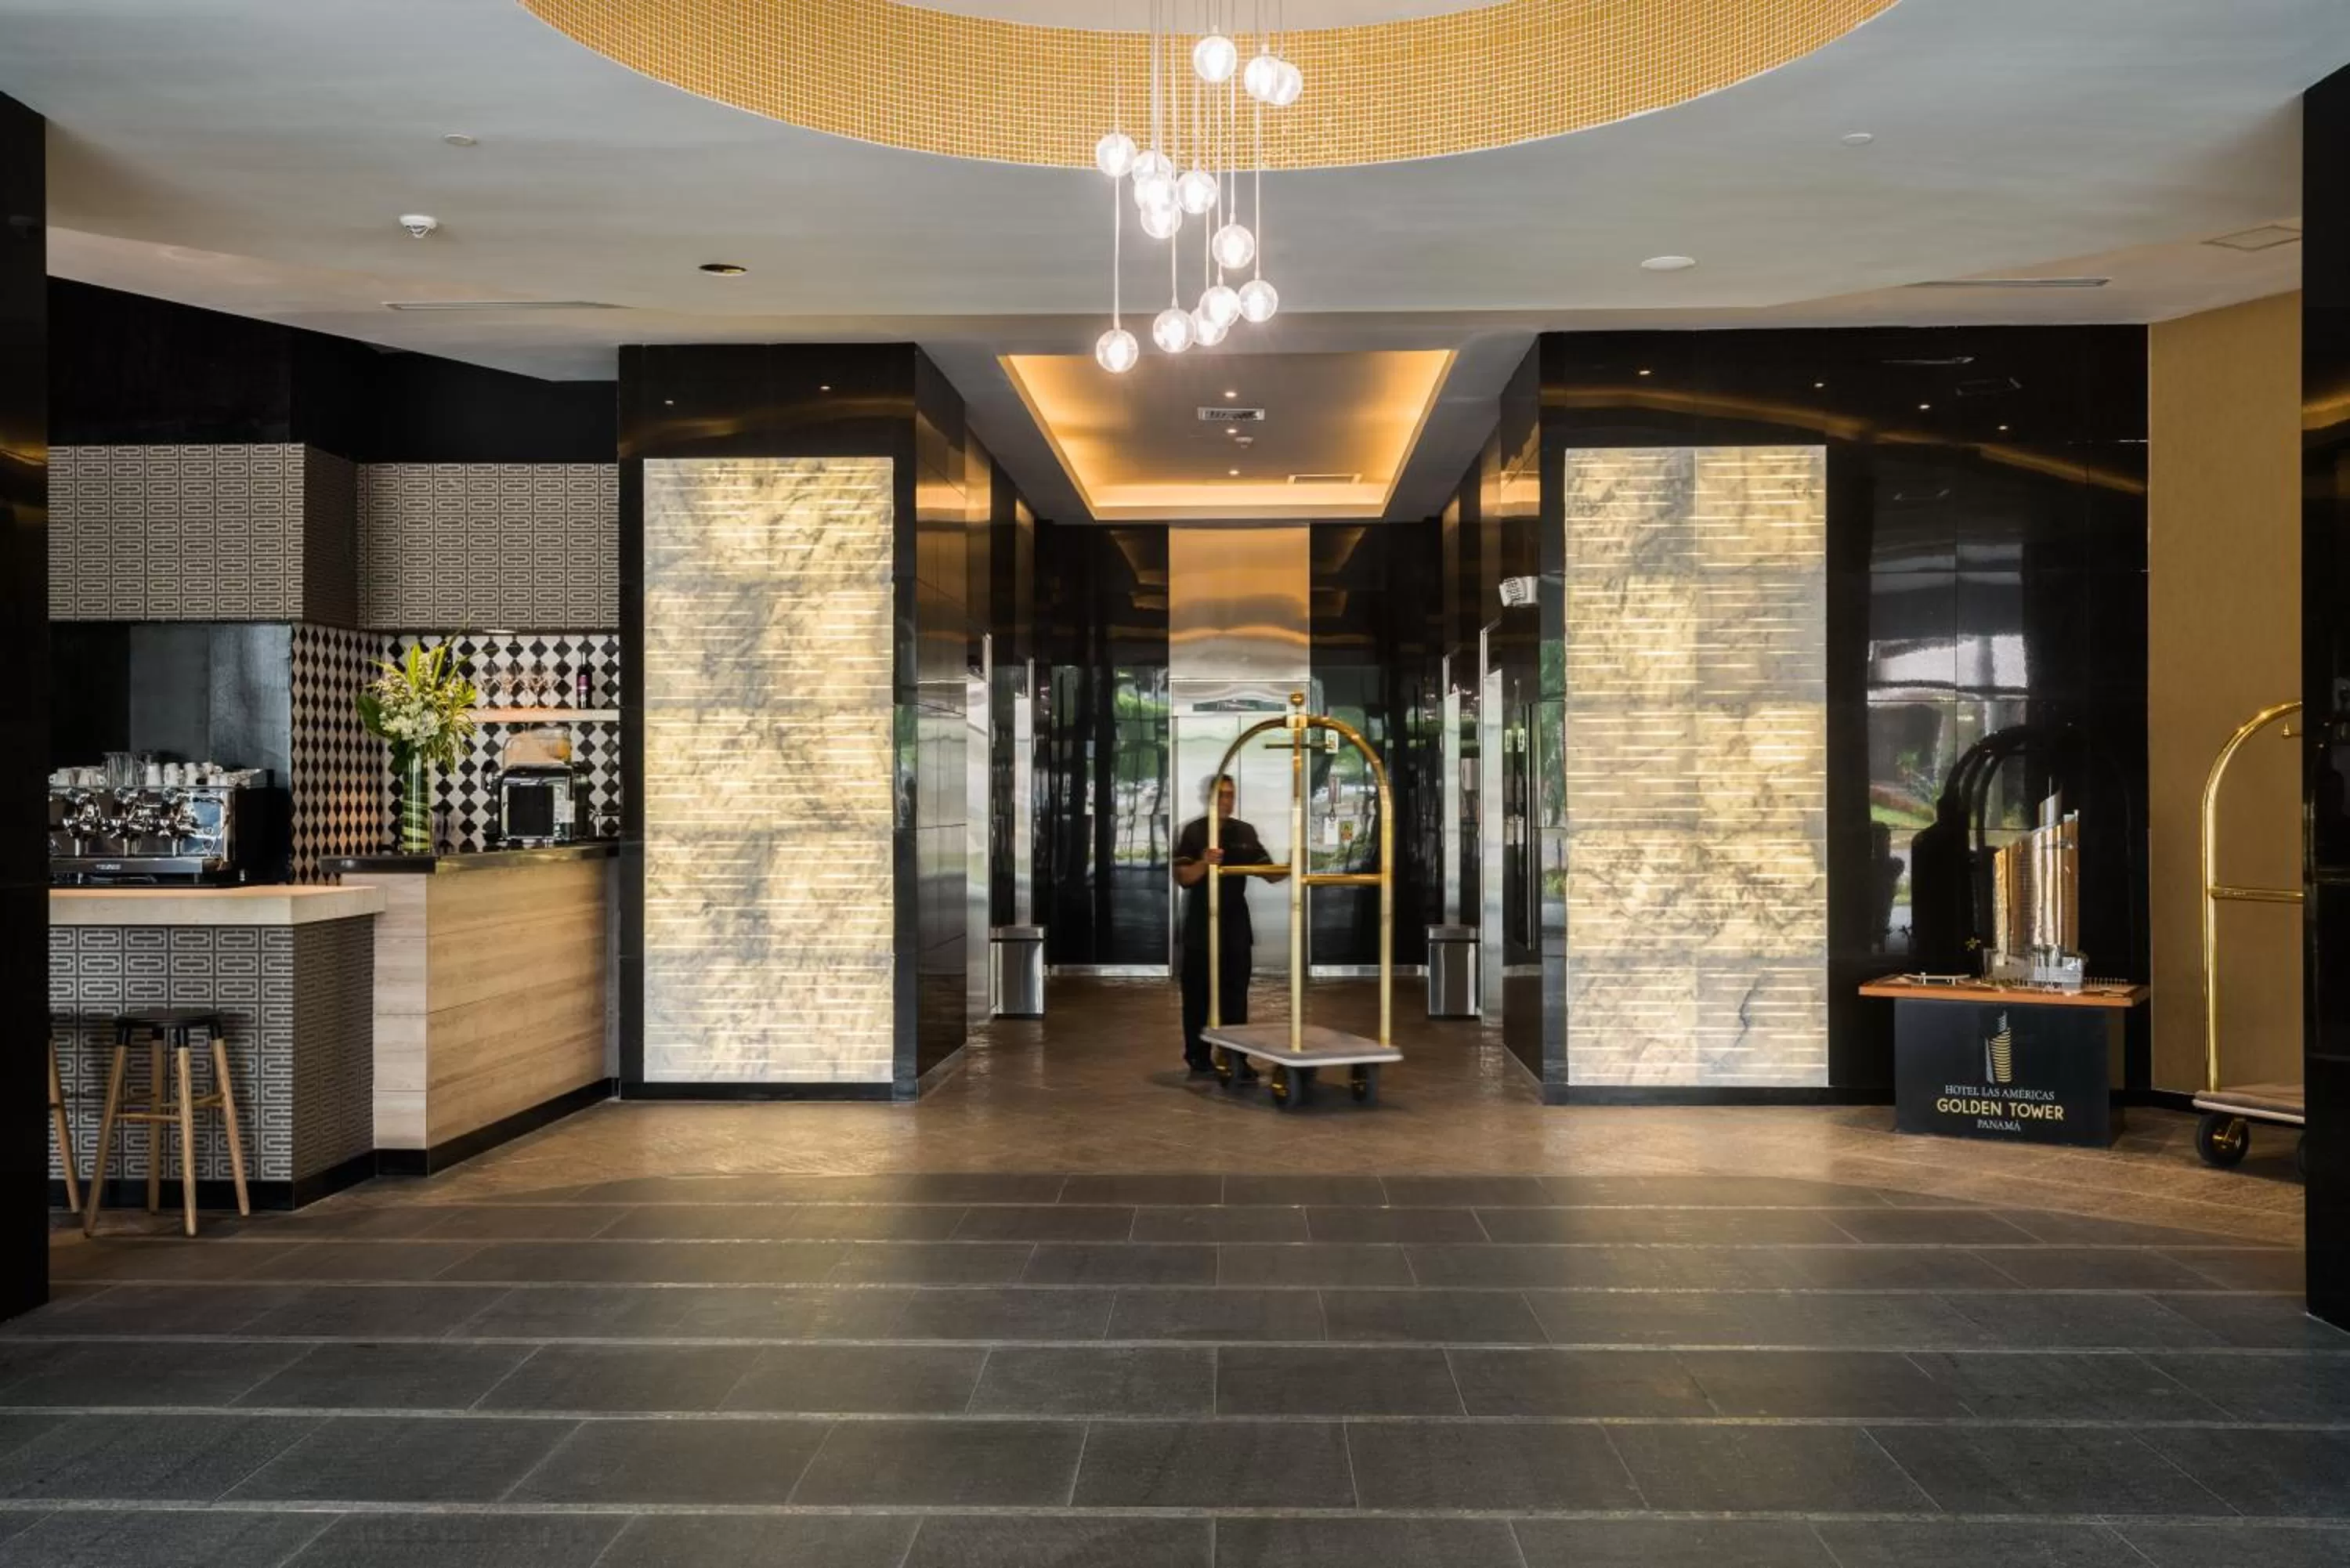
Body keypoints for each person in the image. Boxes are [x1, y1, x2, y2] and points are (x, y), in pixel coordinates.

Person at [1173, 773, 1285, 1075]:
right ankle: (1198, 1056)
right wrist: (1205, 862)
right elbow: (1184, 877)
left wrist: (1291, 866)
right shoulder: (1194, 833)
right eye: (1221, 795)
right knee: (1198, 995)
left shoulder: (1244, 832)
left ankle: (1236, 1058)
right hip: (1201, 926)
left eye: (1230, 795)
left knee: (1235, 995)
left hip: (1235, 924)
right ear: (1209, 798)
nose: (1227, 801)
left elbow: (1269, 872)